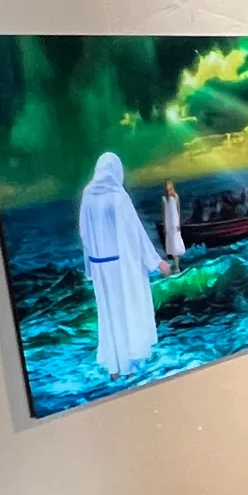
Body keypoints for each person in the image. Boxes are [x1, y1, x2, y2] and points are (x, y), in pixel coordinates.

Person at [77, 153, 165, 380]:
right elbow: (134, 232)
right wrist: (155, 261)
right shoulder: (118, 196)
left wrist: (90, 267)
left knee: (109, 316)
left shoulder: (87, 195)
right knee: (126, 312)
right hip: (120, 266)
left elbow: (84, 235)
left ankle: (115, 368)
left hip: (99, 267)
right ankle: (128, 368)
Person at [160, 180, 186, 273]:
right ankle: (176, 265)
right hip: (168, 223)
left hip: (174, 223)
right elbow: (164, 214)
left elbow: (178, 211)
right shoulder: (164, 199)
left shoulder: (175, 197)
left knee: (175, 244)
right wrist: (164, 226)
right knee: (171, 244)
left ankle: (177, 266)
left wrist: (179, 223)